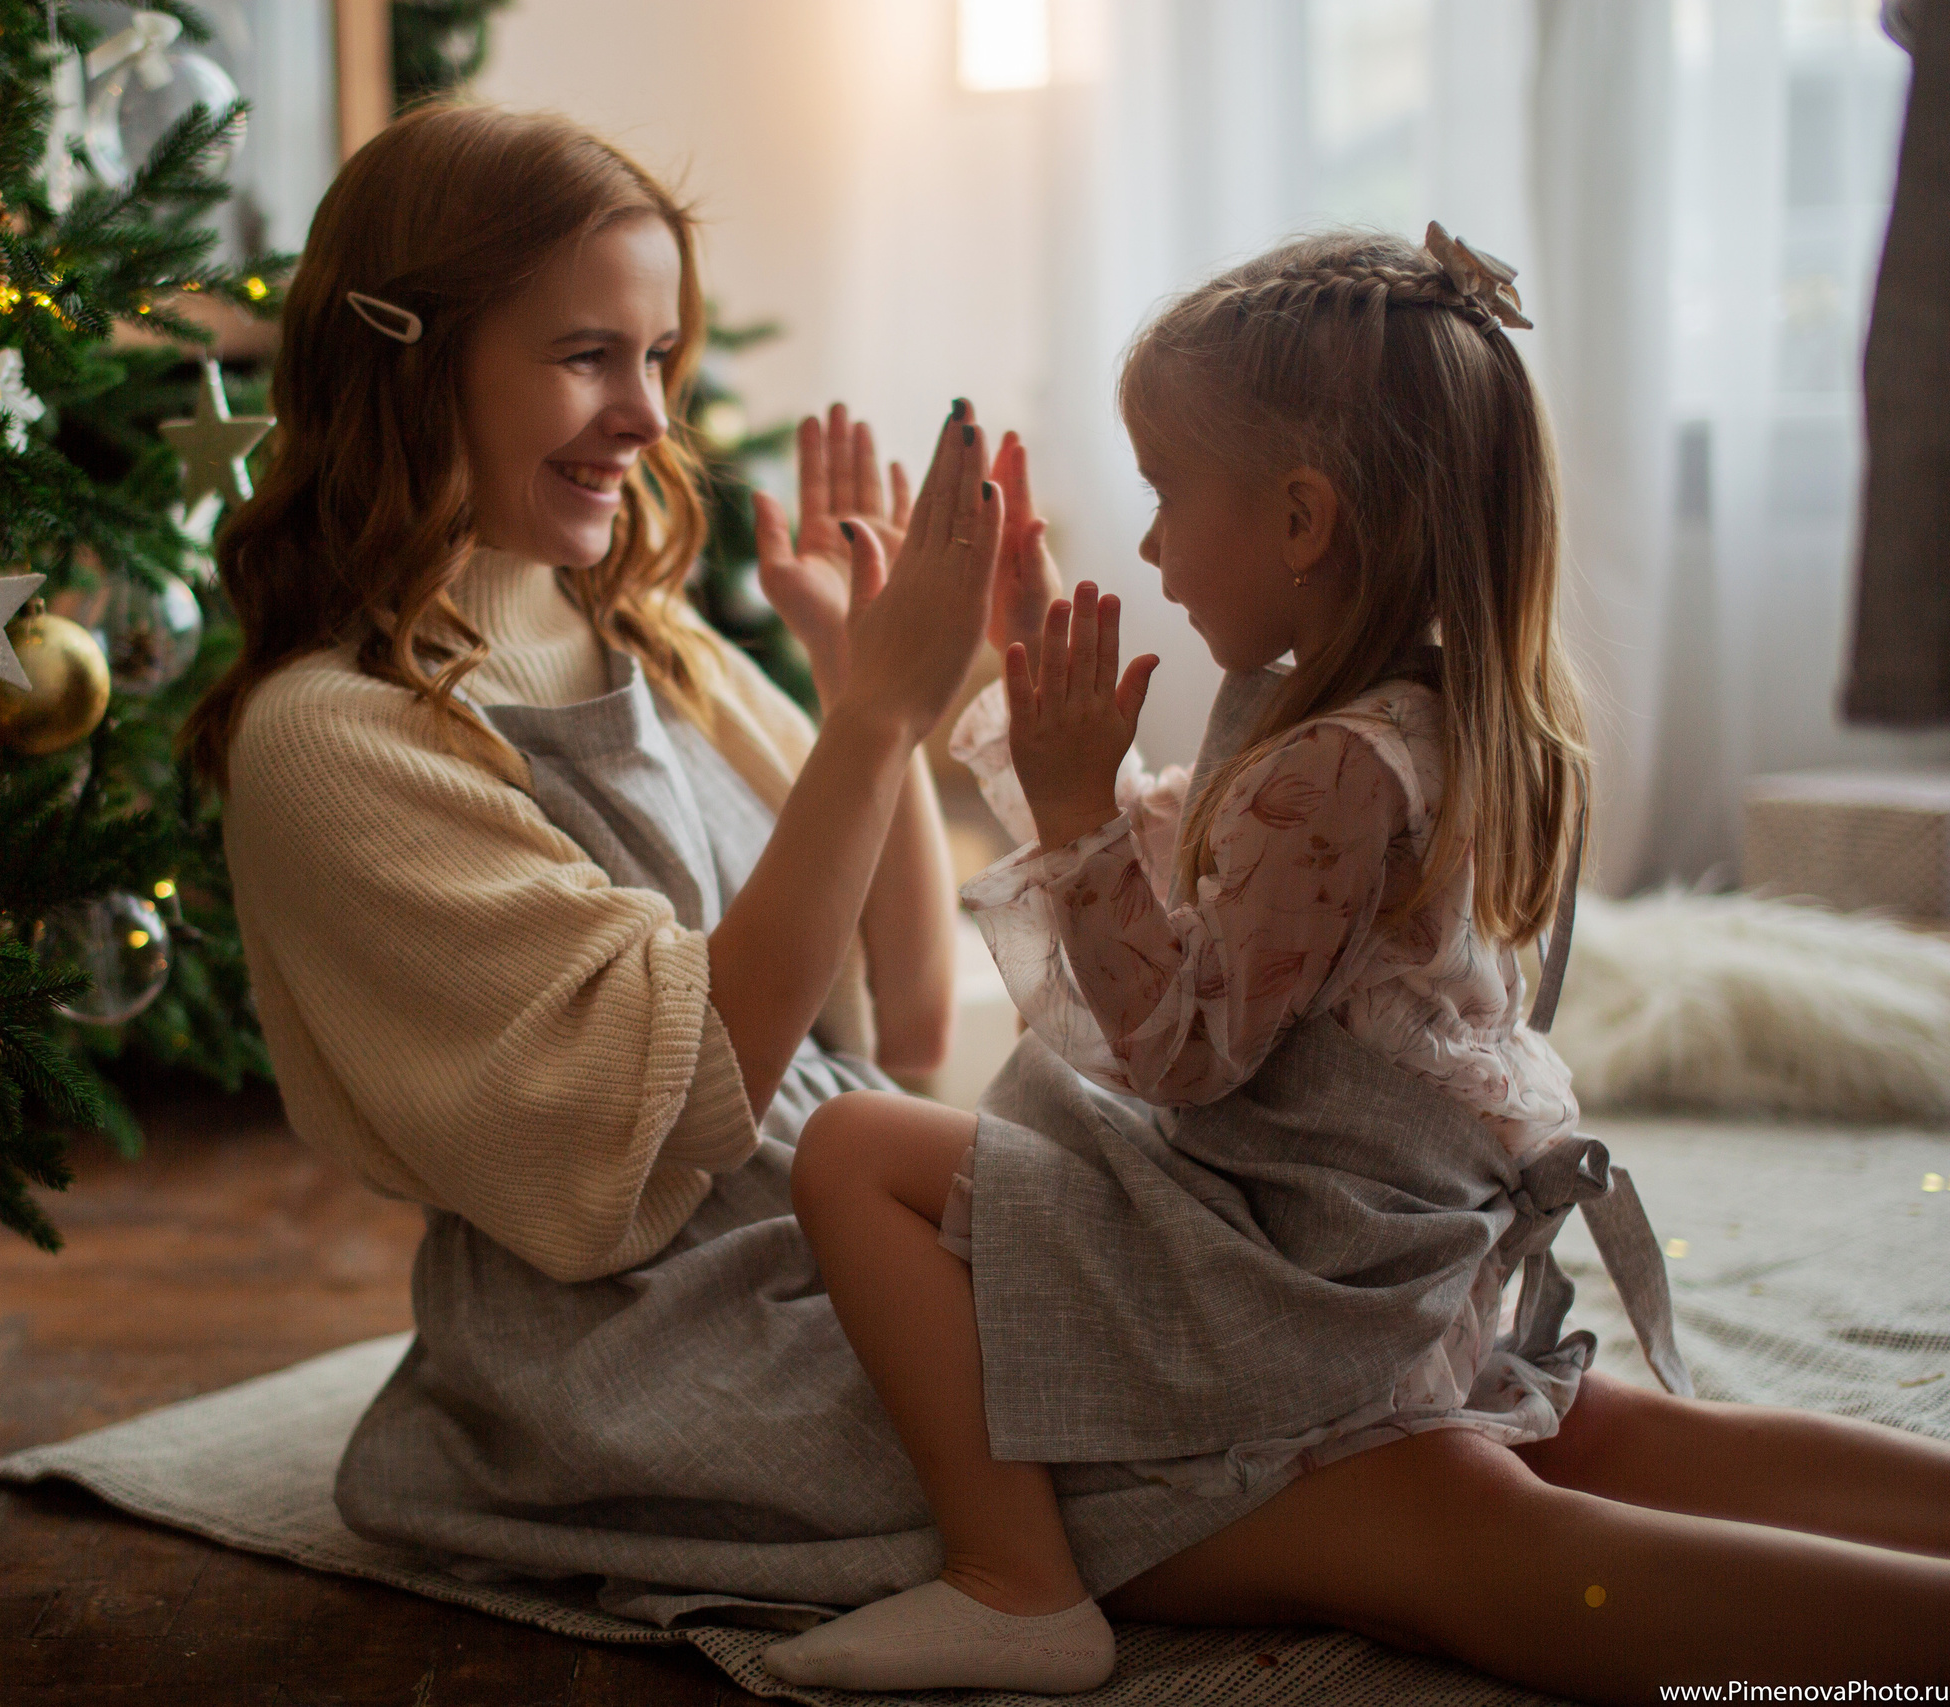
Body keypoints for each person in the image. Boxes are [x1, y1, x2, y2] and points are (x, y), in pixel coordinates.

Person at [762, 228, 1950, 1699]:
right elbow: (1200, 873)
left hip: (1307, 1257)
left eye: (1163, 494)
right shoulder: (1423, 720)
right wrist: (1050, 723)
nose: (1147, 547)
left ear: (1304, 520)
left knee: (853, 1145)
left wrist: (1072, 819)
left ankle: (1012, 1581)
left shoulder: (1332, 765)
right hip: (1404, 1239)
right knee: (1622, 1446)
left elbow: (1180, 1053)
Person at [179, 101, 1011, 1619]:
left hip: (849, 1221)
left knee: (1249, 1335)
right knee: (1181, 1422)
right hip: (647, 1335)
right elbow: (691, 1091)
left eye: (657, 359)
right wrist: (877, 718)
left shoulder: (636, 625)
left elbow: (908, 1020)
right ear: (416, 362)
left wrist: (861, 711)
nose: (647, 416)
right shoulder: (329, 739)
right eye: (586, 357)